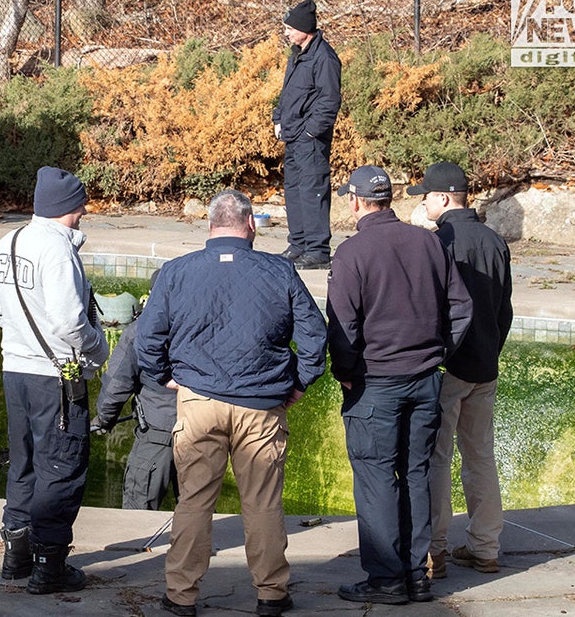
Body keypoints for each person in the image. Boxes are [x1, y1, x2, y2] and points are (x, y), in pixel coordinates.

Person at [135, 190, 328, 617]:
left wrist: (165, 377)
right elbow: (315, 336)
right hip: (261, 406)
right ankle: (271, 594)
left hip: (199, 402)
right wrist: (300, 384)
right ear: (251, 224)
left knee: (194, 501)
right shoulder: (280, 270)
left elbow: (147, 340)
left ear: (209, 226)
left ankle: (181, 596)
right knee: (262, 502)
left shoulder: (176, 272)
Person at [326, 164, 473, 605]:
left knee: (376, 479)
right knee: (415, 475)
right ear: (390, 198)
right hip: (425, 379)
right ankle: (416, 574)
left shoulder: (352, 253)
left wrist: (346, 372)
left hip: (376, 383)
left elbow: (342, 327)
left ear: (354, 201)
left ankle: (388, 579)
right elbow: (461, 309)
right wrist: (437, 353)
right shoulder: (428, 241)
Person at [0, 166, 109, 594]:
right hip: (55, 374)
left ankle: (15, 556)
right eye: (81, 204)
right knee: (62, 465)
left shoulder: (9, 241)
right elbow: (71, 322)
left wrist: (20, 332)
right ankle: (48, 567)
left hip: (14, 369)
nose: (84, 211)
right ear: (69, 207)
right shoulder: (56, 250)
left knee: (25, 463)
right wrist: (98, 347)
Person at [407, 161, 513, 579]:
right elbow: (504, 309)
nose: (423, 203)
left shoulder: (440, 242)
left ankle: (435, 551)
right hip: (485, 364)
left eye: (426, 196)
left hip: (449, 366)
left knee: (437, 457)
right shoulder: (494, 240)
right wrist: (491, 352)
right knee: (480, 457)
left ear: (444, 198)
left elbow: (435, 309)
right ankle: (486, 547)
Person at [92, 270, 177, 511]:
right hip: (201, 433)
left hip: (157, 435)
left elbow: (117, 384)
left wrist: (105, 419)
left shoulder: (139, 330)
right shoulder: (205, 325)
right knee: (197, 514)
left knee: (139, 510)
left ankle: (141, 550)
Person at [271, 0, 342, 271]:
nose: (286, 32)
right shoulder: (297, 54)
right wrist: (278, 119)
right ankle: (299, 244)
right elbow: (288, 93)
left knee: (313, 192)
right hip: (292, 136)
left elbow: (329, 100)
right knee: (294, 192)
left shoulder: (324, 58)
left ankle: (318, 250)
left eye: (290, 27)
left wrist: (312, 131)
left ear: (305, 28)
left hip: (310, 139)